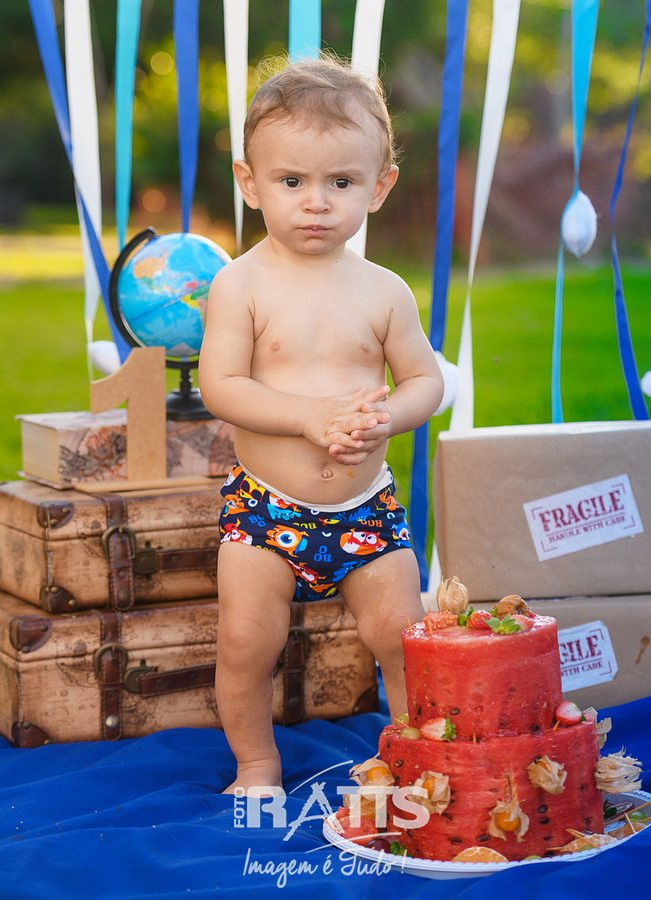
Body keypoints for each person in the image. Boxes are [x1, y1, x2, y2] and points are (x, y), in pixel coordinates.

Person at [198, 55, 443, 794]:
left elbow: (425, 381)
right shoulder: (240, 284)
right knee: (246, 641)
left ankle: (420, 762)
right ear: (250, 183)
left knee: (403, 637)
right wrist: (306, 416)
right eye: (291, 181)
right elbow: (220, 386)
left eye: (340, 182)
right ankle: (256, 763)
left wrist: (386, 417)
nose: (316, 203)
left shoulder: (384, 292)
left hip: (365, 506)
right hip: (266, 511)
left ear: (379, 187)